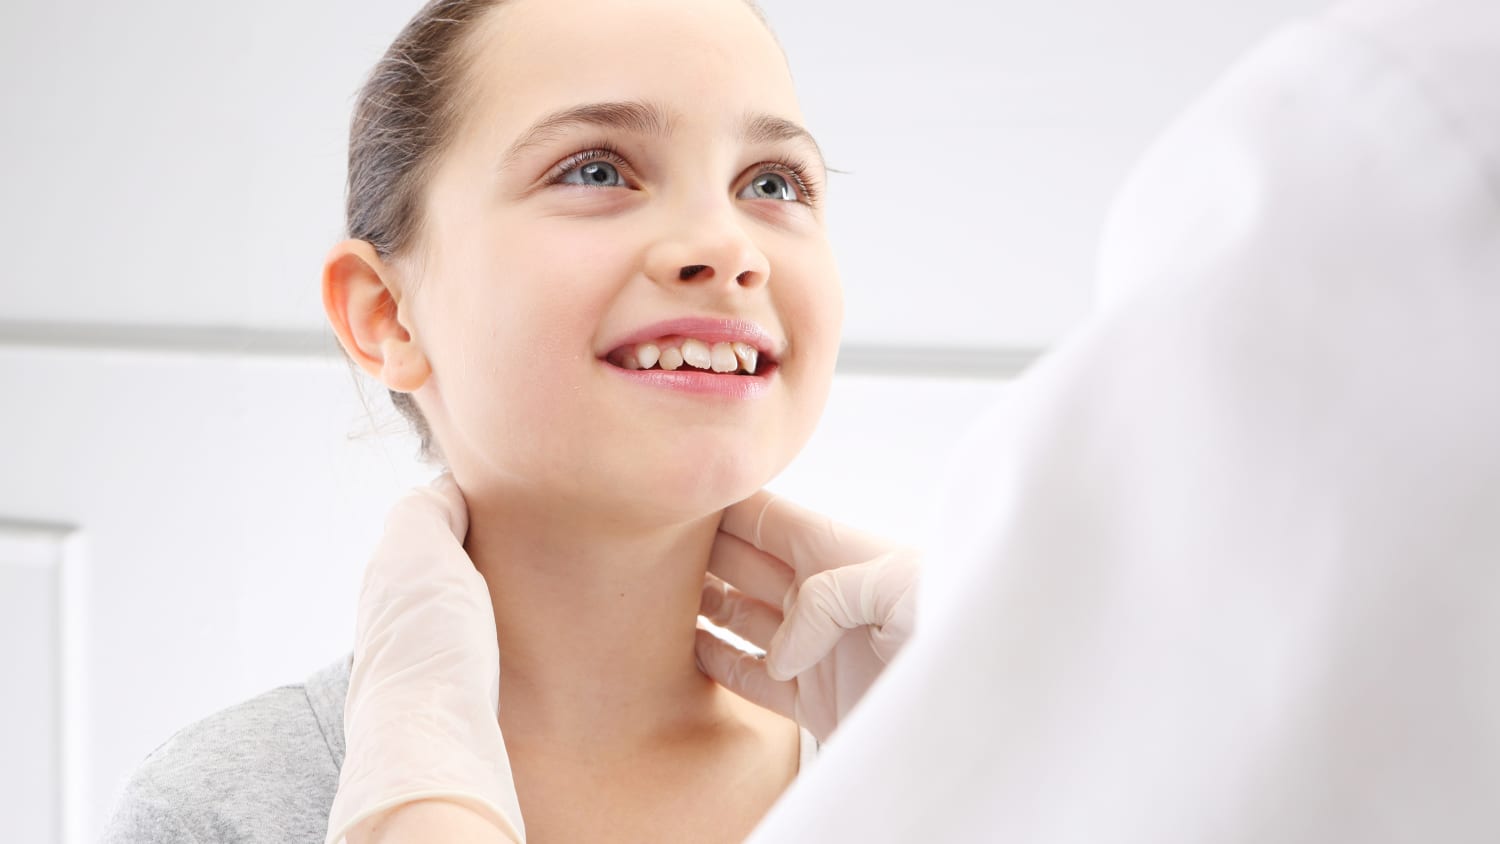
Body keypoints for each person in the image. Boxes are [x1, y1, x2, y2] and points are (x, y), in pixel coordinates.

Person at [99, 0, 919, 842]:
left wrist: (1033, 751)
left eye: (773, 183)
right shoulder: (216, 812)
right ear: (387, 315)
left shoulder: (943, 757)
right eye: (597, 170)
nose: (728, 246)